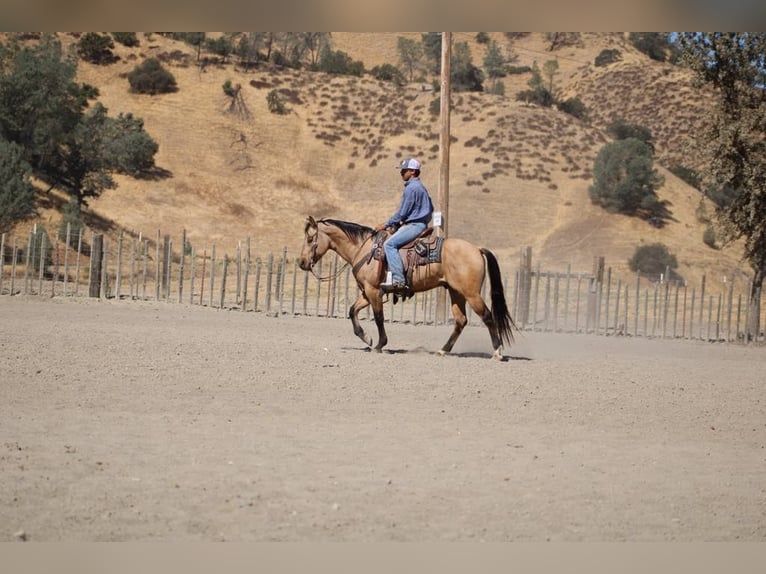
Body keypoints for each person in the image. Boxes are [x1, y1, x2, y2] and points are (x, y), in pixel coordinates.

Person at [375, 157, 434, 293]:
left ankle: (399, 280)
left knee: (389, 245)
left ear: (412, 171)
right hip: (419, 224)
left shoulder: (412, 188)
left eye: (404, 170)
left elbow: (403, 212)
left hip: (414, 225)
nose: (401, 173)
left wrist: (386, 224)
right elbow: (430, 207)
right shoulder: (421, 188)